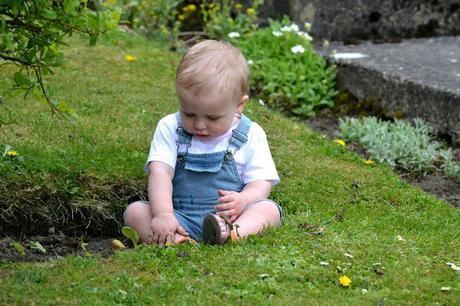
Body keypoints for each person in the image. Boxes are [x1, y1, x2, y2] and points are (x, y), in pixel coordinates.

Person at [123, 40, 282, 246]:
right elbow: (160, 172)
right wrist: (163, 214)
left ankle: (233, 234)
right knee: (135, 212)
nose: (199, 125)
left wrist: (243, 199)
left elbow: (261, 181)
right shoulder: (170, 127)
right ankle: (178, 239)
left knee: (268, 209)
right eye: (188, 113)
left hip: (228, 218)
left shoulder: (251, 134)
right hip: (178, 216)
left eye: (213, 118)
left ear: (239, 105)